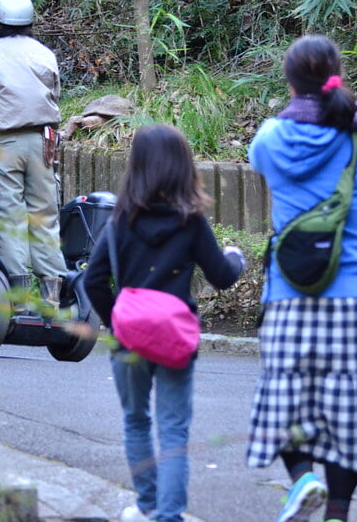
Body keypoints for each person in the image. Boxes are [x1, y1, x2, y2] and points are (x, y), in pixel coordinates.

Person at [246, 35, 357, 522]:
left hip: (289, 295)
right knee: (351, 414)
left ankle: (303, 479)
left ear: (290, 81)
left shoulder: (270, 139)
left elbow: (259, 163)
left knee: (284, 397)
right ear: (338, 74)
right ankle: (337, 512)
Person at [83, 124, 246, 522]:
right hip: (174, 337)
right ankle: (168, 516)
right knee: (174, 431)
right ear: (181, 166)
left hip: (129, 339)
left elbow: (93, 281)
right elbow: (222, 276)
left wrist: (118, 321)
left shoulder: (119, 221)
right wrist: (236, 257)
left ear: (136, 166)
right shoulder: (191, 221)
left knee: (136, 422)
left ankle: (148, 506)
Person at [0, 0, 67, 308]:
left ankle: (19, 297)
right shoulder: (44, 53)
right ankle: (52, 295)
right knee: (45, 216)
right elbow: (54, 93)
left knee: (10, 217)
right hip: (42, 143)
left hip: (3, 144)